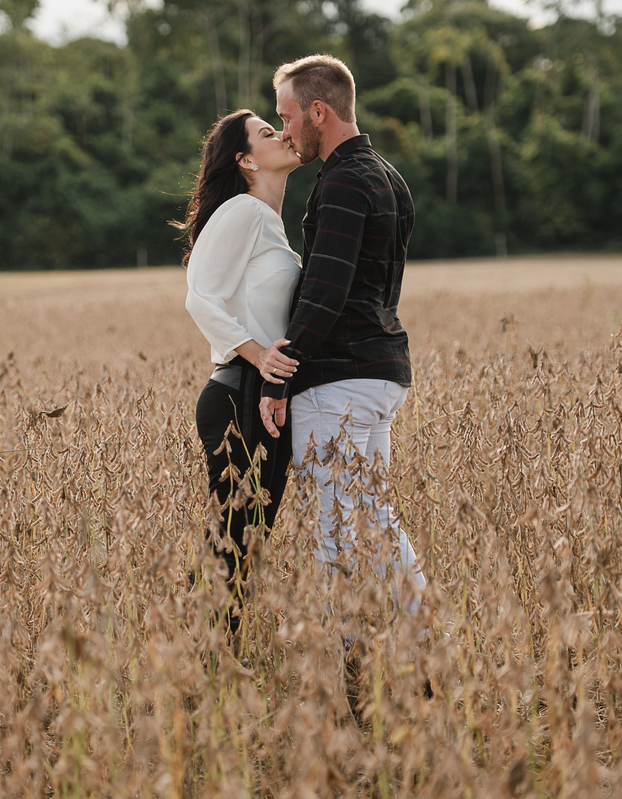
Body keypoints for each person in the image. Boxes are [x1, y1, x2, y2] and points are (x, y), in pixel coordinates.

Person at [259, 54, 427, 612]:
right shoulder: (386, 175)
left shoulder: (344, 183)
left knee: (335, 531)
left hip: (339, 383)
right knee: (375, 520)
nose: (283, 130)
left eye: (285, 117)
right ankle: (427, 648)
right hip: (381, 374)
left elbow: (326, 290)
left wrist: (283, 370)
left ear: (318, 111)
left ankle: (351, 661)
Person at [178, 109, 304, 623]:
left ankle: (207, 654)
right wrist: (257, 354)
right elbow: (199, 298)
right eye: (267, 132)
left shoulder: (268, 222)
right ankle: (197, 656)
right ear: (247, 159)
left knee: (246, 538)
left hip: (263, 395)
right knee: (233, 538)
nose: (283, 135)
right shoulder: (243, 211)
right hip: (238, 392)